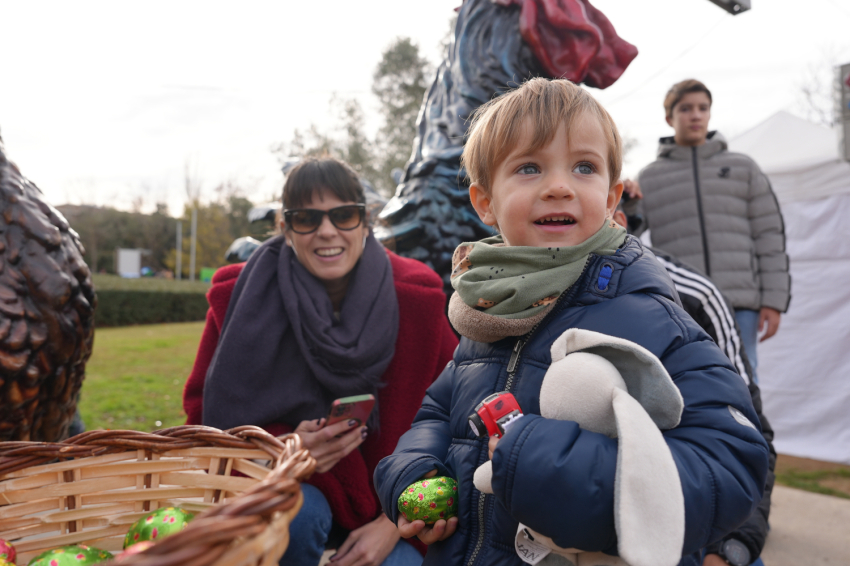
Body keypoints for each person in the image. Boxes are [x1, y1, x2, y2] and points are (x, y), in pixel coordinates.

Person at [374, 78, 769, 566]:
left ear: (611, 198)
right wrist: (414, 471)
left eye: (584, 167)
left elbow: (730, 464)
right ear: (485, 203)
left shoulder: (650, 314)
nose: (559, 186)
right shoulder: (487, 315)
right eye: (529, 168)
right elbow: (436, 416)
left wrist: (543, 461)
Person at [182, 157, 458, 566]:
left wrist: (393, 523)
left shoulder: (416, 297)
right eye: (307, 218)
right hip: (282, 492)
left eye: (343, 215)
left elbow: (457, 419)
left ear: (365, 223)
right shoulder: (239, 298)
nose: (327, 231)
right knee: (296, 514)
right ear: (285, 228)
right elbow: (202, 422)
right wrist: (280, 454)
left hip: (389, 504)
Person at [614, 207, 775, 566]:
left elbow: (750, 434)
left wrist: (733, 547)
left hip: (697, 531)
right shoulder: (520, 298)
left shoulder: (696, 298)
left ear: (618, 218)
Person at [622, 79, 791, 380]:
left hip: (741, 303)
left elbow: (769, 235)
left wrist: (773, 301)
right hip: (683, 304)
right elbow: (628, 238)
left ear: (710, 114)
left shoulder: (743, 168)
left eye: (703, 108)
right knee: (691, 381)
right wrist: (629, 204)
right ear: (669, 118)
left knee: (743, 378)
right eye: (686, 108)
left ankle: (750, 430)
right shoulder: (649, 177)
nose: (696, 115)